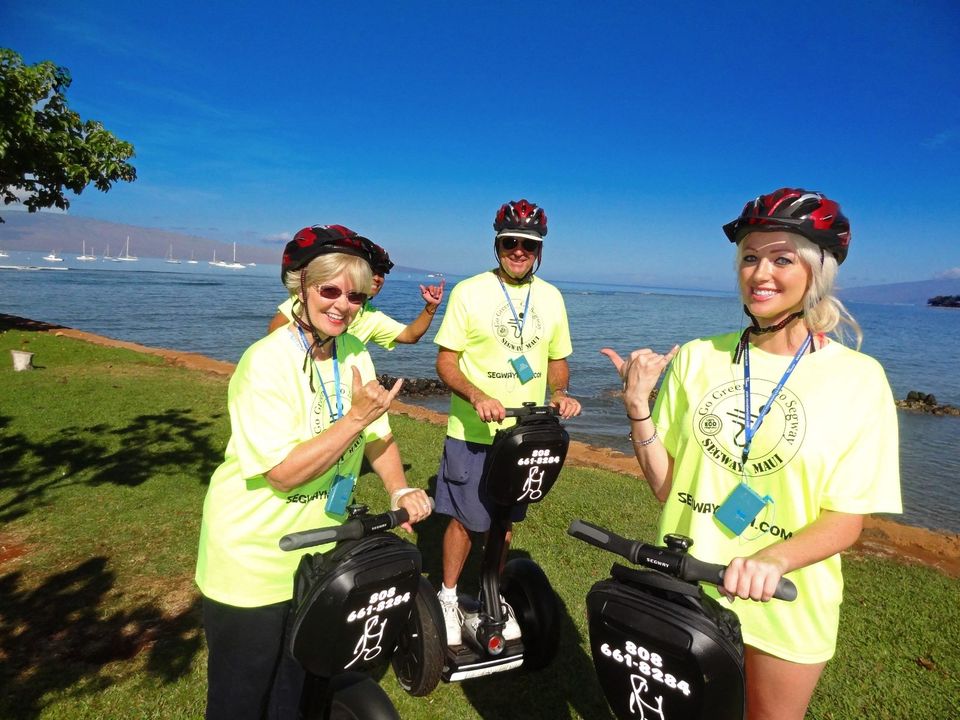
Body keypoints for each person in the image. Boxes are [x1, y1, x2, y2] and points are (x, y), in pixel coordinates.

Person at [601, 188, 902, 720]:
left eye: (782, 258)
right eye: (749, 257)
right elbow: (669, 488)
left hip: (784, 600)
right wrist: (637, 407)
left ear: (818, 271)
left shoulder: (860, 380)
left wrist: (772, 559)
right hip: (686, 587)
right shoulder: (698, 358)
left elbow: (846, 518)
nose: (760, 272)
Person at [195, 224, 432, 720]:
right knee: (241, 699)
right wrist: (354, 420)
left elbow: (379, 436)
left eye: (356, 295)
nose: (343, 305)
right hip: (253, 562)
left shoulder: (354, 353)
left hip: (319, 556)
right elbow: (283, 473)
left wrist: (399, 487)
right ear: (300, 286)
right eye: (330, 290)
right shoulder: (265, 363)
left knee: (294, 694)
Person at [433, 199, 582, 645]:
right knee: (465, 519)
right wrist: (477, 395)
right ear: (497, 244)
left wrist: (559, 393)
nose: (519, 251)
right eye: (510, 243)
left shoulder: (552, 297)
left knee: (505, 520)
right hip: (474, 432)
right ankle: (447, 595)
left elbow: (557, 361)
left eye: (528, 245)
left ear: (539, 250)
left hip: (524, 433)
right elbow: (445, 361)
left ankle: (487, 598)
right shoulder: (469, 291)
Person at [267, 235, 445, 347]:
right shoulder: (315, 296)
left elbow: (409, 335)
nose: (377, 278)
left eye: (382, 274)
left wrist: (430, 307)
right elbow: (274, 333)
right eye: (372, 272)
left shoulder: (370, 317)